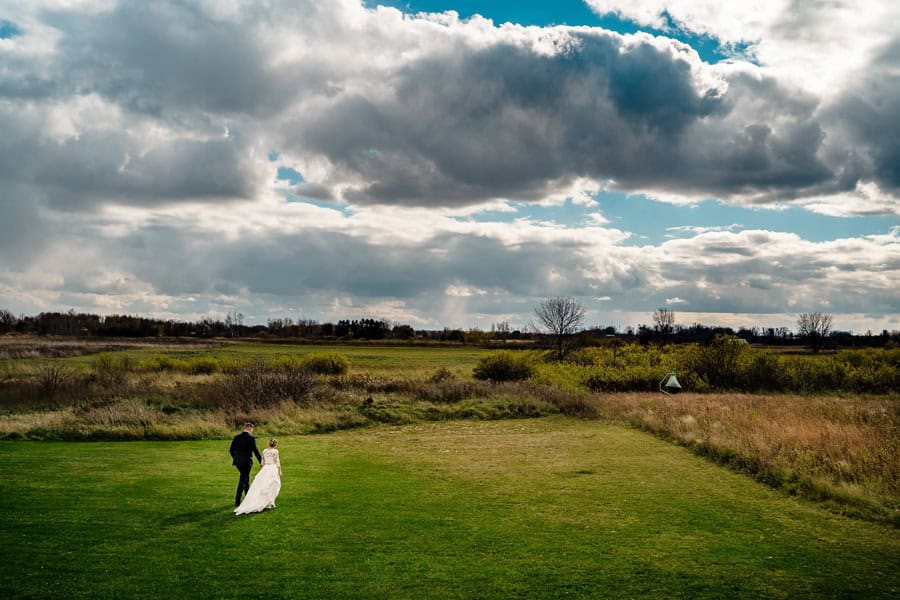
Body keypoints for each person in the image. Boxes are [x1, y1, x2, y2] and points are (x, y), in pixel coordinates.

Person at [234, 438, 282, 515]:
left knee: (263, 485)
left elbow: (262, 462)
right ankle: (269, 502)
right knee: (273, 485)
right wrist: (280, 471)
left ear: (268, 443)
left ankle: (268, 502)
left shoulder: (265, 451)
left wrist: (263, 470)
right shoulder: (275, 451)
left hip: (265, 468)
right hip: (272, 468)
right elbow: (277, 462)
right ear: (276, 445)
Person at [230, 422, 262, 507]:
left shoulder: (236, 437)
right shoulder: (251, 438)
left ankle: (248, 498)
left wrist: (236, 458)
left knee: (245, 479)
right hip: (247, 462)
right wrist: (261, 462)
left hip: (238, 462)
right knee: (243, 480)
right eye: (252, 429)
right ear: (250, 428)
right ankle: (237, 500)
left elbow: (231, 450)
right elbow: (256, 451)